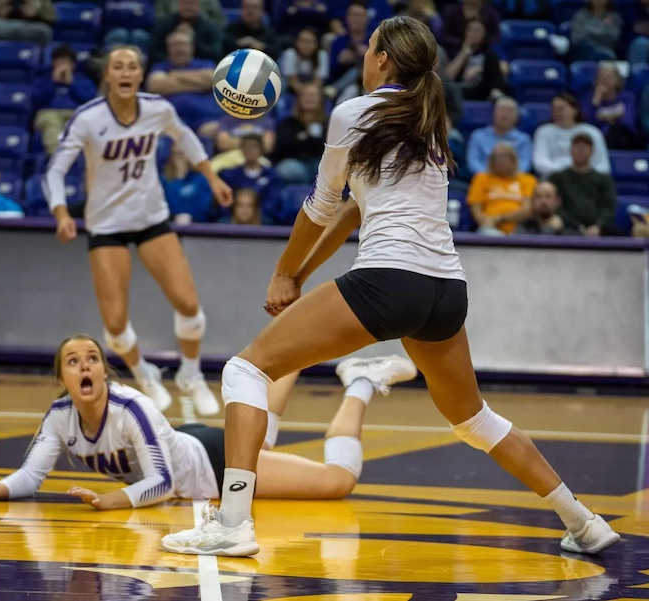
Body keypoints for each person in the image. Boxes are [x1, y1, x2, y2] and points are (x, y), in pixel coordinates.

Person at [160, 16, 621, 558]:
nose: (363, 54)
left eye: (369, 47)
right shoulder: (427, 119)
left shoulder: (353, 114)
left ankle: (233, 523)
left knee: (245, 370)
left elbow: (319, 207)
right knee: (474, 421)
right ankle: (582, 519)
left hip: (387, 280)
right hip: (445, 290)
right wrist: (303, 277)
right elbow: (353, 211)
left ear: (381, 60)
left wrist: (285, 271)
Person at [0, 335, 417, 508]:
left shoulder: (130, 407)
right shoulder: (61, 417)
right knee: (265, 442)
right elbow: (30, 476)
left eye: (93, 359)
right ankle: (296, 352)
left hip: (211, 462)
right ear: (62, 376)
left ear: (104, 370)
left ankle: (360, 381)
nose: (84, 367)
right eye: (73, 361)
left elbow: (161, 483)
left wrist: (109, 501)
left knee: (337, 482)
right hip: (191, 449)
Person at [43, 46, 233, 418]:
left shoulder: (158, 108)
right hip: (107, 223)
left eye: (133, 66)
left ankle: (190, 375)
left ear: (140, 74)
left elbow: (186, 137)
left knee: (189, 305)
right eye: (118, 67)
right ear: (108, 76)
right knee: (114, 327)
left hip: (150, 216)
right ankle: (144, 372)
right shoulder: (87, 118)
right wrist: (62, 212)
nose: (126, 72)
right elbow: (54, 170)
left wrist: (211, 177)